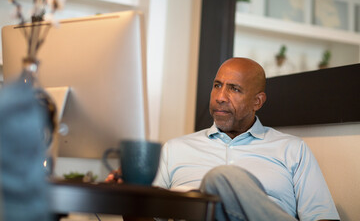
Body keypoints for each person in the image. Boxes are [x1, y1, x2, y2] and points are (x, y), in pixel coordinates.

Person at [107, 57, 340, 221]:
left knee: (220, 178)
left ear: (257, 102)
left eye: (234, 89)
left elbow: (323, 217)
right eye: (217, 86)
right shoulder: (174, 149)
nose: (220, 97)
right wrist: (129, 196)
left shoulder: (292, 149)